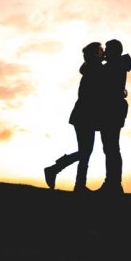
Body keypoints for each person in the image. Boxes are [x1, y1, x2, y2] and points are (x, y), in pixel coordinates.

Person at [44, 42, 104, 193]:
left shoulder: (91, 67)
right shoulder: (95, 69)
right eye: (101, 50)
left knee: (85, 151)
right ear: (95, 54)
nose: (104, 52)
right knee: (85, 152)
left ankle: (71, 180)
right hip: (85, 116)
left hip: (82, 116)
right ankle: (59, 172)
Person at [96, 39, 131, 194]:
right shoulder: (117, 64)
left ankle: (113, 184)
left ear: (113, 51)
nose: (104, 52)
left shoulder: (113, 65)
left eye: (107, 49)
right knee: (111, 147)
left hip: (112, 110)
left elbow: (98, 78)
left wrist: (99, 60)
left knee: (111, 148)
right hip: (114, 109)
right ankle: (113, 183)